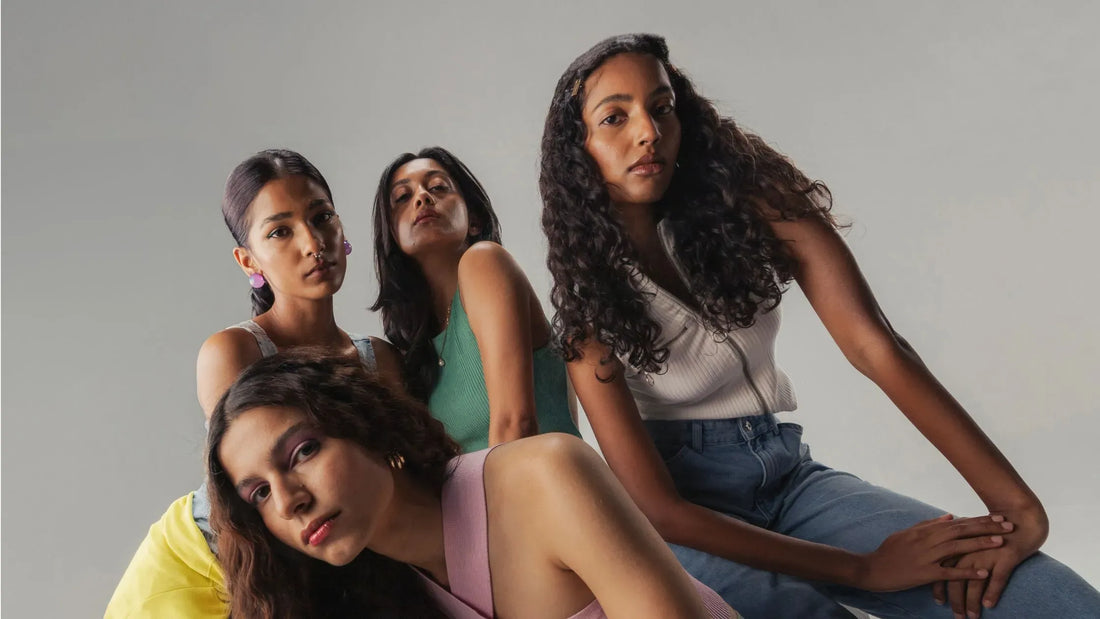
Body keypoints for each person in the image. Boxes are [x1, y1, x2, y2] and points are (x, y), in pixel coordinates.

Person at [538, 33, 1100, 618]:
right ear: (580, 151)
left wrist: (1017, 508)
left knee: (1050, 598)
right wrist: (864, 570)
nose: (648, 131)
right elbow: (658, 508)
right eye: (614, 118)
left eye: (661, 106)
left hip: (787, 479)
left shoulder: (748, 197)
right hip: (683, 521)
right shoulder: (587, 306)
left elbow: (874, 345)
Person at [207, 351, 737, 618]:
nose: (289, 500)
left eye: (302, 452)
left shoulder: (546, 476)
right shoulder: (384, 596)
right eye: (259, 494)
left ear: (366, 427)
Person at [105, 149, 401, 617]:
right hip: (206, 569)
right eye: (280, 231)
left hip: (323, 574)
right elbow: (255, 508)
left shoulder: (379, 360)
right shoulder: (235, 352)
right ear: (248, 261)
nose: (312, 242)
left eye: (321, 216)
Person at [371, 147, 579, 451]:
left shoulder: (485, 262)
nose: (422, 198)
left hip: (540, 491)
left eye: (438, 187)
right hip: (487, 495)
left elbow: (515, 425)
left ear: (475, 220)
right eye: (403, 197)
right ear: (392, 234)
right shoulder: (417, 351)